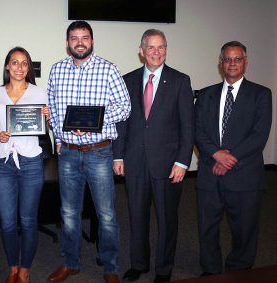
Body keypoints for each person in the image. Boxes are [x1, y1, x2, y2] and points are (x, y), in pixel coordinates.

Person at [47, 20, 131, 283]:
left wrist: (94, 121)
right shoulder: (56, 70)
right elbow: (52, 109)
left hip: (99, 153)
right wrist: (60, 139)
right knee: (69, 214)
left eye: (84, 37)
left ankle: (110, 267)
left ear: (92, 41)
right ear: (67, 43)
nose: (79, 42)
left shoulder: (108, 69)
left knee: (106, 215)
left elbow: (125, 107)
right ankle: (70, 263)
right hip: (68, 154)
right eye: (74, 38)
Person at [112, 29, 194, 283]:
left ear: (166, 50)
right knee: (137, 215)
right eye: (151, 47)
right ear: (141, 51)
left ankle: (164, 269)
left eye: (161, 47)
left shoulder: (180, 80)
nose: (156, 52)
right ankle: (139, 263)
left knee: (167, 219)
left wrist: (182, 161)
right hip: (135, 162)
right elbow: (122, 123)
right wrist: (118, 156)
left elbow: (187, 125)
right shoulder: (128, 80)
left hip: (168, 164)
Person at [195, 41, 272, 276]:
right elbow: (197, 130)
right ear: (220, 62)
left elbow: (259, 135)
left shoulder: (261, 94)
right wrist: (216, 154)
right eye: (227, 59)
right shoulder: (205, 94)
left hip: (245, 176)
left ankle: (239, 271)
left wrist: (230, 158)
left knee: (245, 230)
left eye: (237, 59)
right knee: (207, 229)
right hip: (210, 173)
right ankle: (211, 270)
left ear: (245, 62)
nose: (232, 63)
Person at [0, 46, 49, 283]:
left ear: (28, 68)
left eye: (24, 63)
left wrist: (48, 119)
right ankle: (12, 267)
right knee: (8, 222)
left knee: (28, 220)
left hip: (31, 161)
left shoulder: (40, 93)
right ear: (7, 66)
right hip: (3, 163)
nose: (19, 67)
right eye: (15, 62)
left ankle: (25, 269)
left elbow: (47, 127)